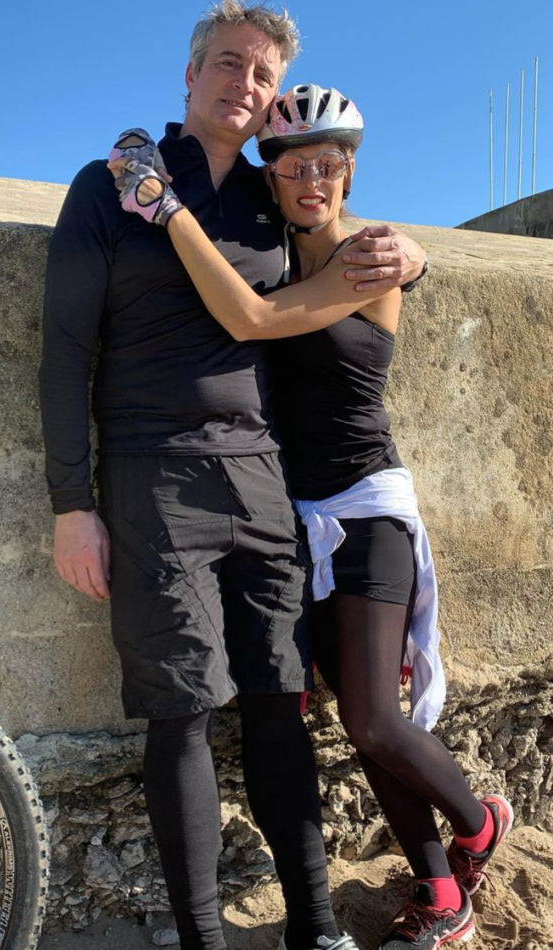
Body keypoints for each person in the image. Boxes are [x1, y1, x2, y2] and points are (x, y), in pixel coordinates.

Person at [39, 4, 428, 950]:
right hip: (154, 475)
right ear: (190, 74)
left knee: (278, 707)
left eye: (261, 75)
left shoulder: (270, 198)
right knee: (179, 711)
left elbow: (346, 248)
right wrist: (72, 504)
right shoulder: (111, 186)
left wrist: (413, 258)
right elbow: (63, 352)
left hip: (261, 480)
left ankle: (316, 928)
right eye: (226, 63)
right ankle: (203, 939)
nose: (242, 84)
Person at [108, 82, 514, 950]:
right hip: (292, 517)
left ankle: (479, 823)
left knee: (371, 718)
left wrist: (165, 209)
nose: (311, 181)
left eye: (328, 165)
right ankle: (441, 889)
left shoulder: (369, 258)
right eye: (293, 167)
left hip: (365, 509)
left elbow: (249, 317)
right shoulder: (271, 249)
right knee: (360, 722)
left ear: (350, 171)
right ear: (271, 175)